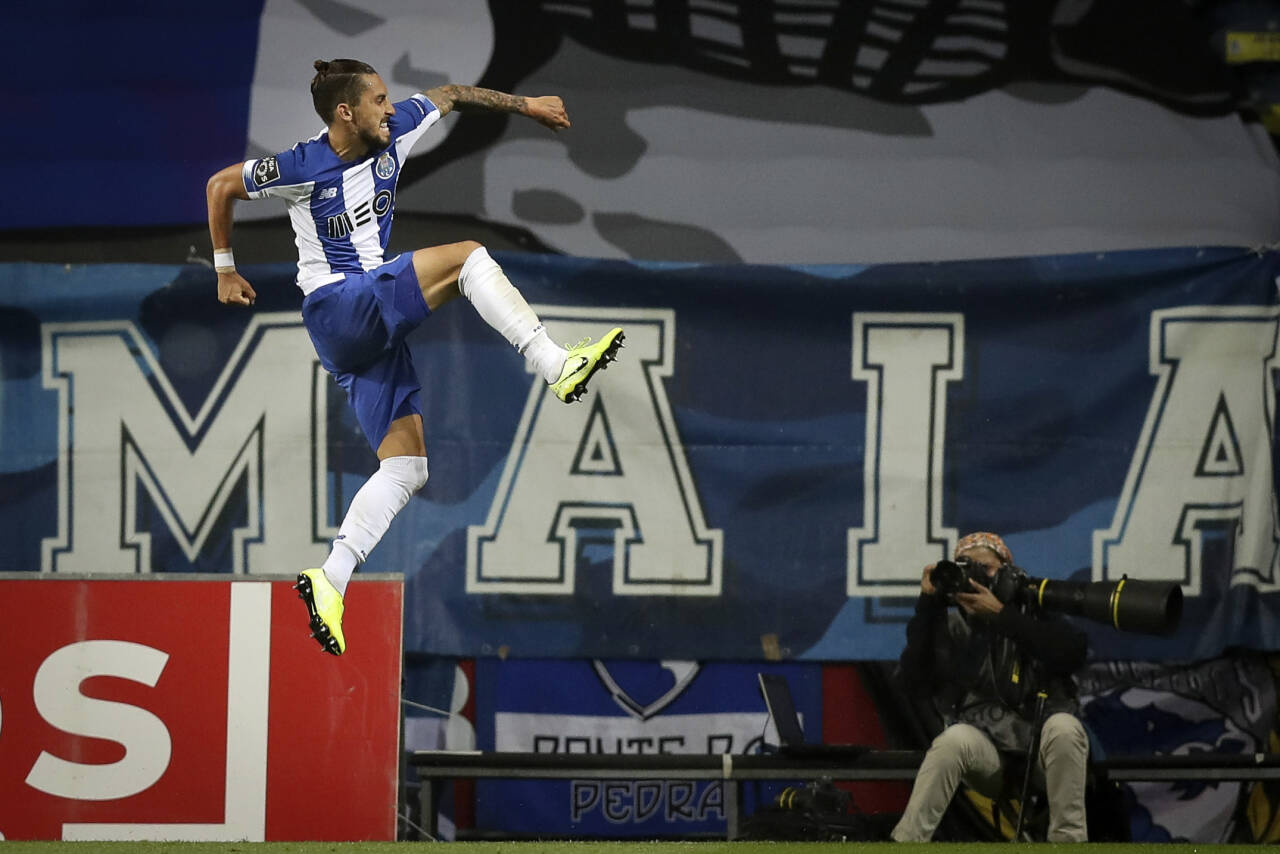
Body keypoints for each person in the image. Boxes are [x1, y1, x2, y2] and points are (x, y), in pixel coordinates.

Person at [205, 58, 624, 656]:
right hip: (340, 304)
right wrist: (224, 269)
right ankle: (555, 363)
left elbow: (450, 92)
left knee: (406, 468)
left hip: (358, 331)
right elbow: (221, 186)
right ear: (345, 111)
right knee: (469, 256)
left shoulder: (395, 127)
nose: (390, 108)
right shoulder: (301, 164)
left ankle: (332, 578)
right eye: (377, 100)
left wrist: (526, 106)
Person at [891, 532, 1090, 842]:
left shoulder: (1034, 611)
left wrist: (1001, 614)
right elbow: (913, 683)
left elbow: (1073, 652)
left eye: (985, 568)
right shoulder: (951, 627)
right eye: (965, 568)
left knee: (1065, 727)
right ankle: (905, 843)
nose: (975, 578)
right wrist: (928, 606)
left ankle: (1068, 845)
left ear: (1008, 573)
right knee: (953, 739)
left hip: (1041, 758)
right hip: (989, 759)